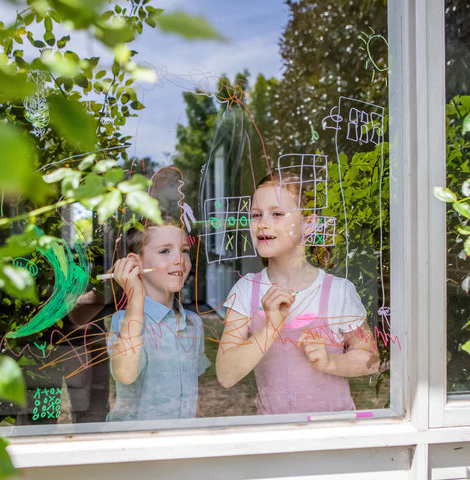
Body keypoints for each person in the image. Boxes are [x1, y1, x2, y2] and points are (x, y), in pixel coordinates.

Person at [216, 172, 379, 415]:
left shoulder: (338, 291)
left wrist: (329, 362)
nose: (262, 223)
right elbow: (226, 375)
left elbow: (370, 360)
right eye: (256, 214)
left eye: (277, 214)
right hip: (274, 436)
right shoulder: (246, 290)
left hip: (332, 435)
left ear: (309, 223)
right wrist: (270, 328)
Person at [106, 219, 210, 421]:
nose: (180, 259)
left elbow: (192, 394)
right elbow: (125, 374)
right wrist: (135, 296)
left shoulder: (193, 323)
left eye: (185, 250)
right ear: (136, 263)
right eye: (165, 251)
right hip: (139, 445)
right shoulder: (123, 321)